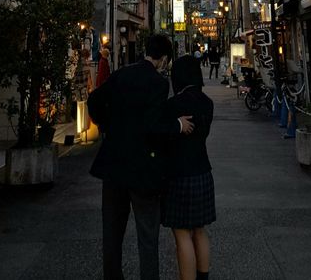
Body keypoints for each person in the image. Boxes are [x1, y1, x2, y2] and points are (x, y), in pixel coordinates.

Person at [87, 34, 194, 280]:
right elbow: (152, 125)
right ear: (164, 59)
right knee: (147, 236)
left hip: (113, 165)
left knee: (112, 233)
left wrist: (107, 126)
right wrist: (176, 125)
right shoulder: (158, 83)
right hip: (143, 168)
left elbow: (94, 100)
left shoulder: (122, 74)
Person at [162, 55, 215, 280]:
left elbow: (162, 134)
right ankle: (203, 275)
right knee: (199, 229)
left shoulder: (173, 105)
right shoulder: (207, 103)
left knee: (181, 232)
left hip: (179, 173)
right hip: (203, 169)